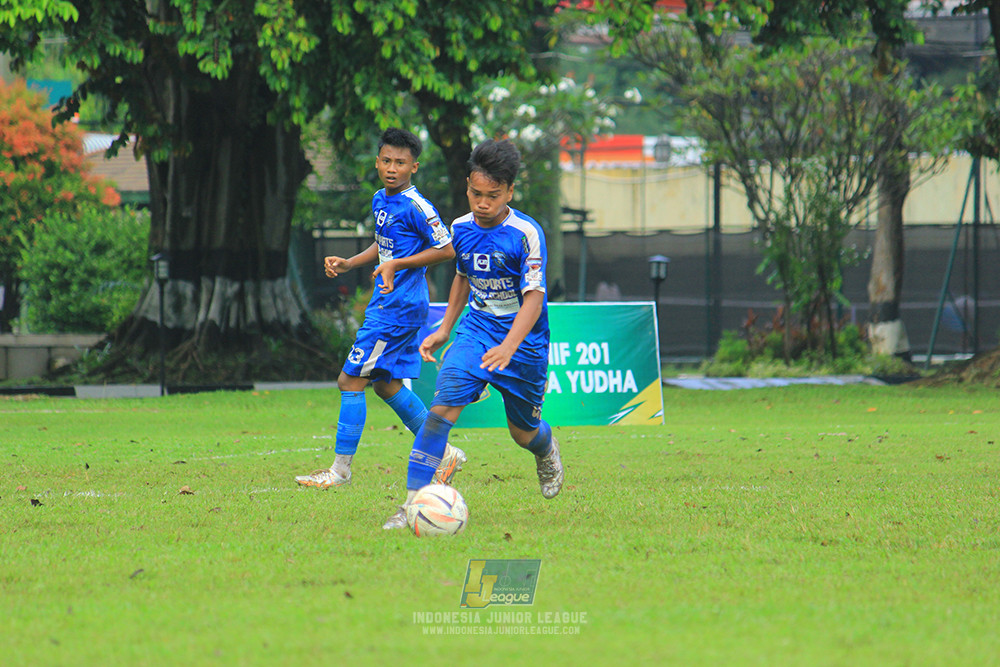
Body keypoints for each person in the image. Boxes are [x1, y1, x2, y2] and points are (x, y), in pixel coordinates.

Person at [383, 138, 563, 529]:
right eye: (475, 194)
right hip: (477, 331)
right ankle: (412, 504)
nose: (482, 204)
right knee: (440, 411)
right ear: (467, 186)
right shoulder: (461, 228)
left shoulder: (526, 233)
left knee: (522, 432)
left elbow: (534, 299)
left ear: (510, 192)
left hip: (524, 343)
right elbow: (462, 278)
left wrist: (508, 347)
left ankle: (546, 448)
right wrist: (445, 329)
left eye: (493, 196)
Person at [295, 128, 466, 489]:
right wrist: (350, 263)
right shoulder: (379, 199)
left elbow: (447, 249)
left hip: (398, 307)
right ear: (377, 162)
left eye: (400, 163)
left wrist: (397, 265)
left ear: (414, 167)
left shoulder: (418, 206)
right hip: (389, 302)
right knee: (386, 385)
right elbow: (383, 245)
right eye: (386, 161)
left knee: (349, 380)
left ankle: (340, 472)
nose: (392, 168)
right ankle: (444, 452)